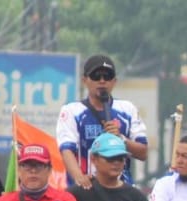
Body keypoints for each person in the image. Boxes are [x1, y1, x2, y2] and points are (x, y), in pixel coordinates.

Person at [56, 54, 148, 188]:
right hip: (87, 188)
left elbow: (143, 152)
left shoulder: (127, 109)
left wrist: (121, 139)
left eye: (107, 76)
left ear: (114, 81)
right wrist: (80, 179)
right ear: (84, 80)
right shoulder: (71, 111)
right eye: (96, 76)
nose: (102, 81)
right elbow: (67, 150)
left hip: (120, 190)